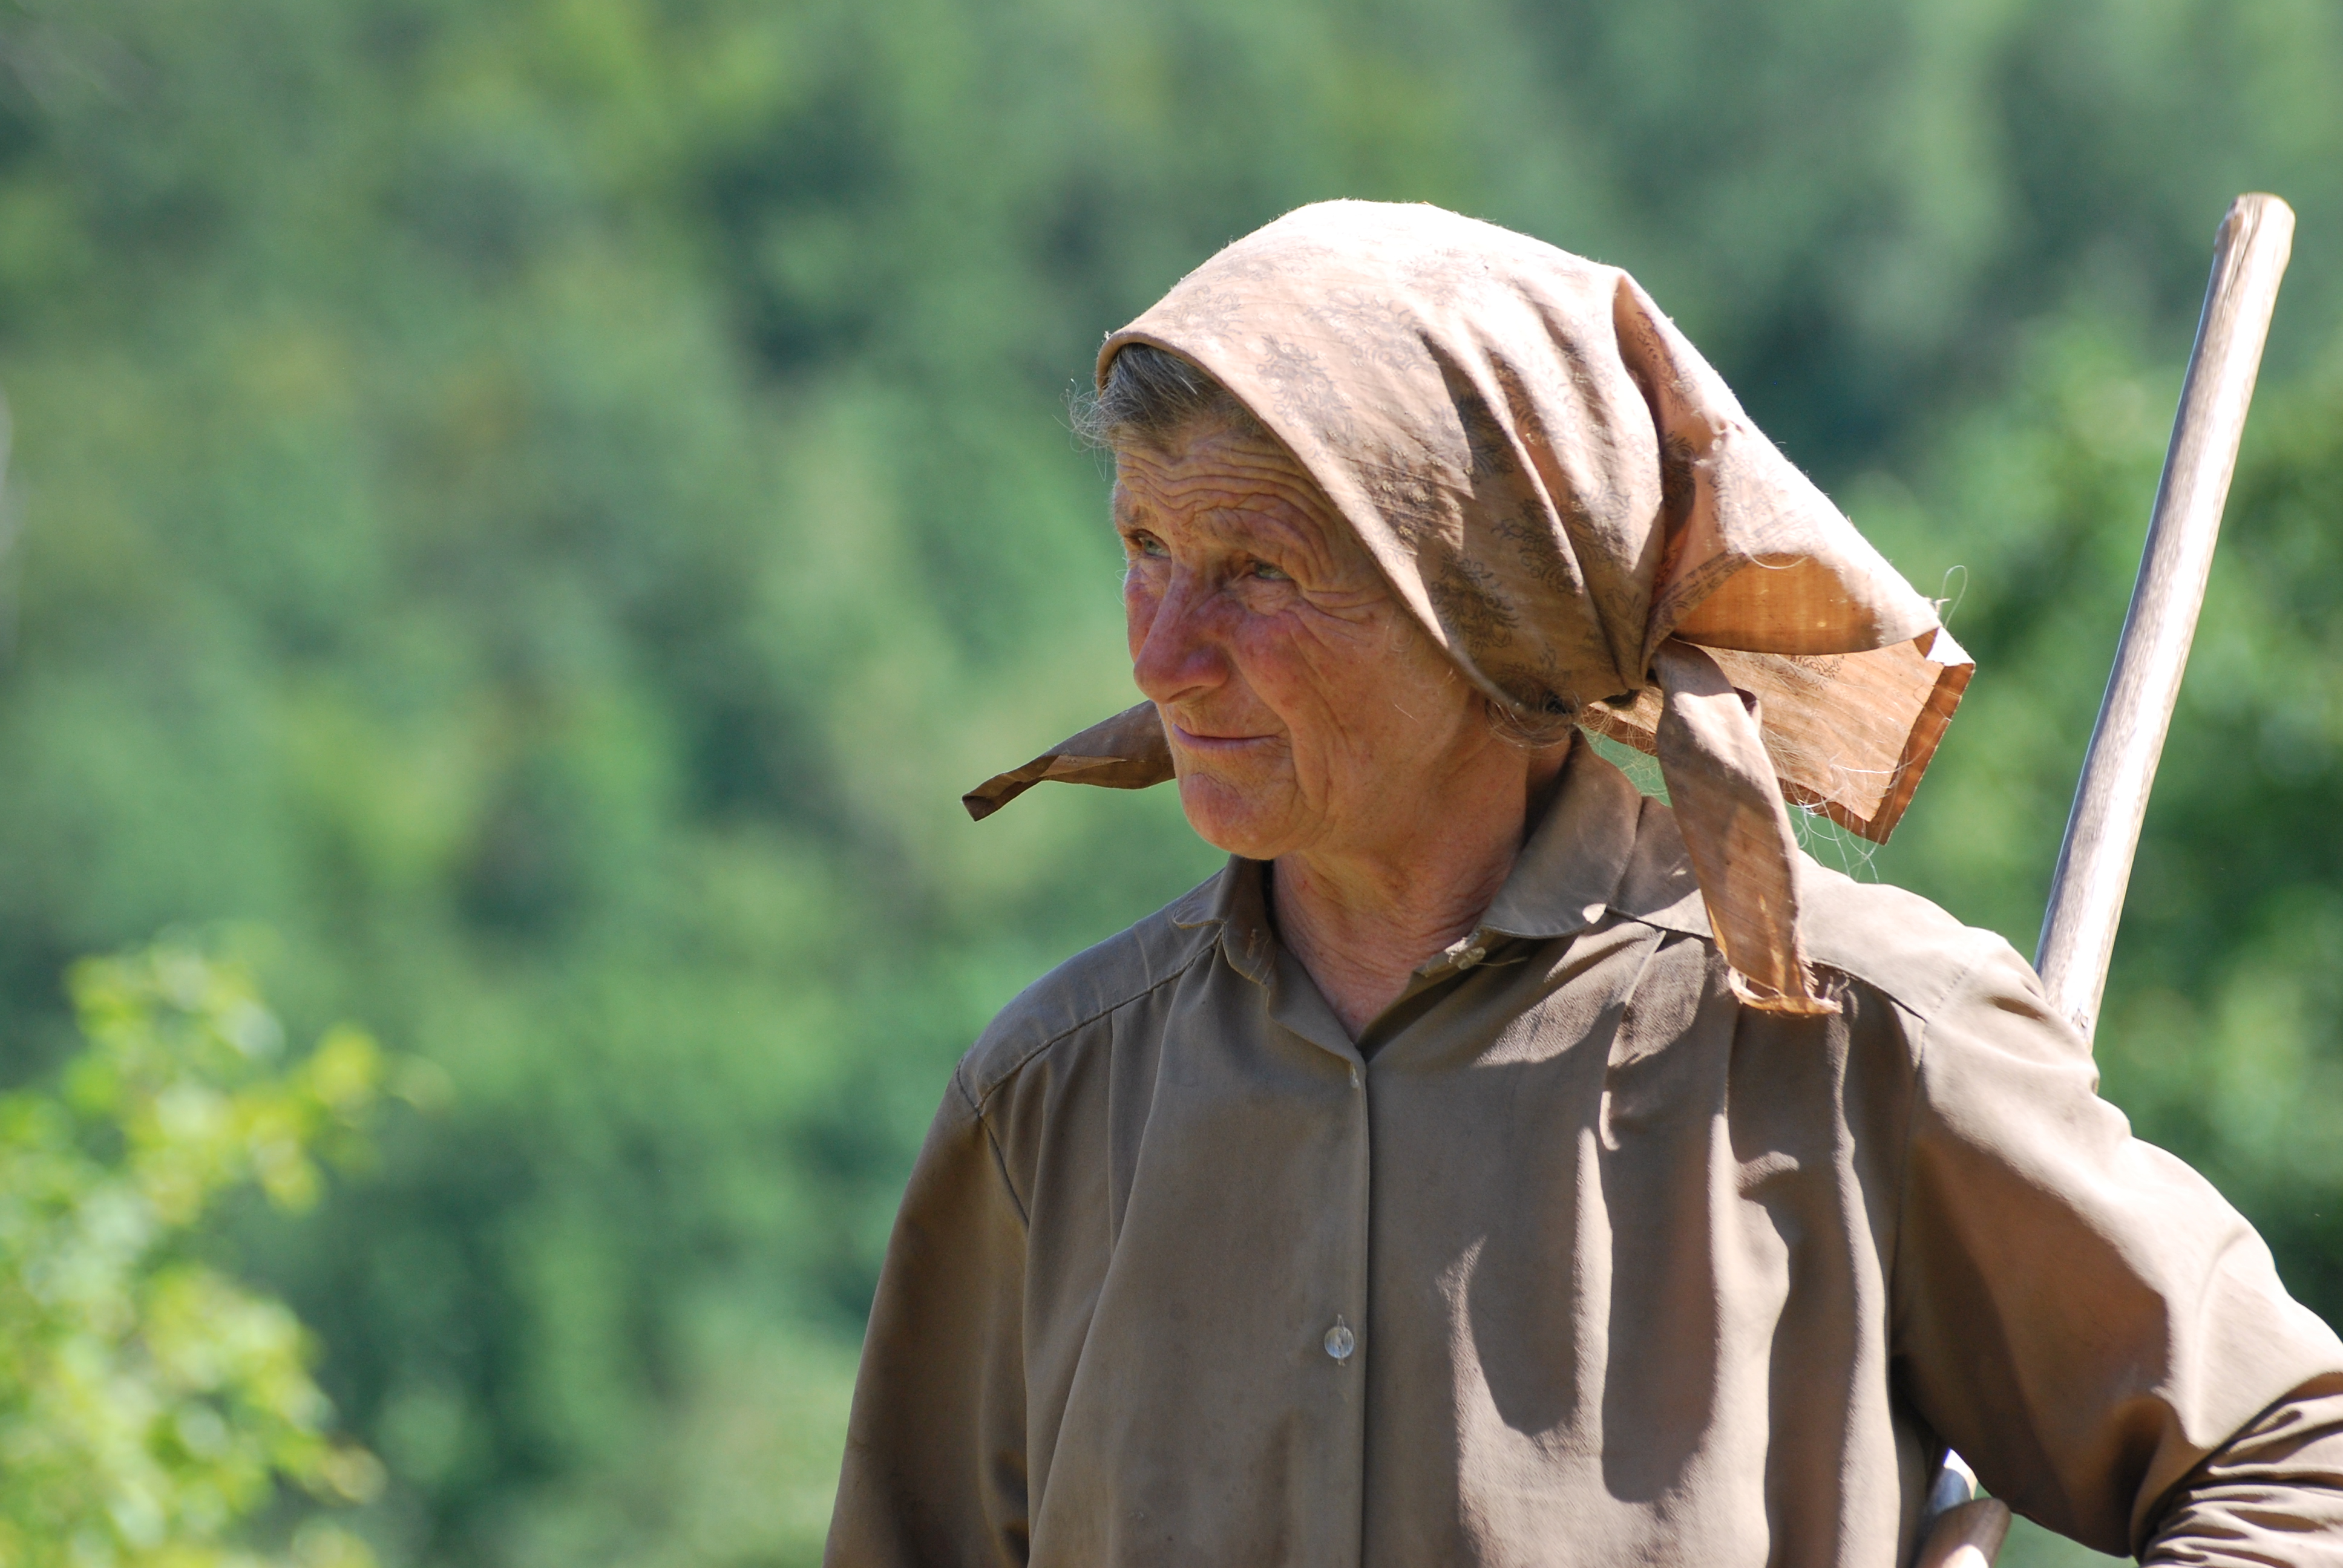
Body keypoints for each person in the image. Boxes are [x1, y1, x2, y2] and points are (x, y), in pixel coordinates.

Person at [824, 201, 2343, 1567]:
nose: (1160, 654)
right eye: (1146, 548)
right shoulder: (1055, 1098)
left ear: (1492, 613)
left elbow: (2297, 1466)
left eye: (1258, 572)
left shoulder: (1853, 1041)